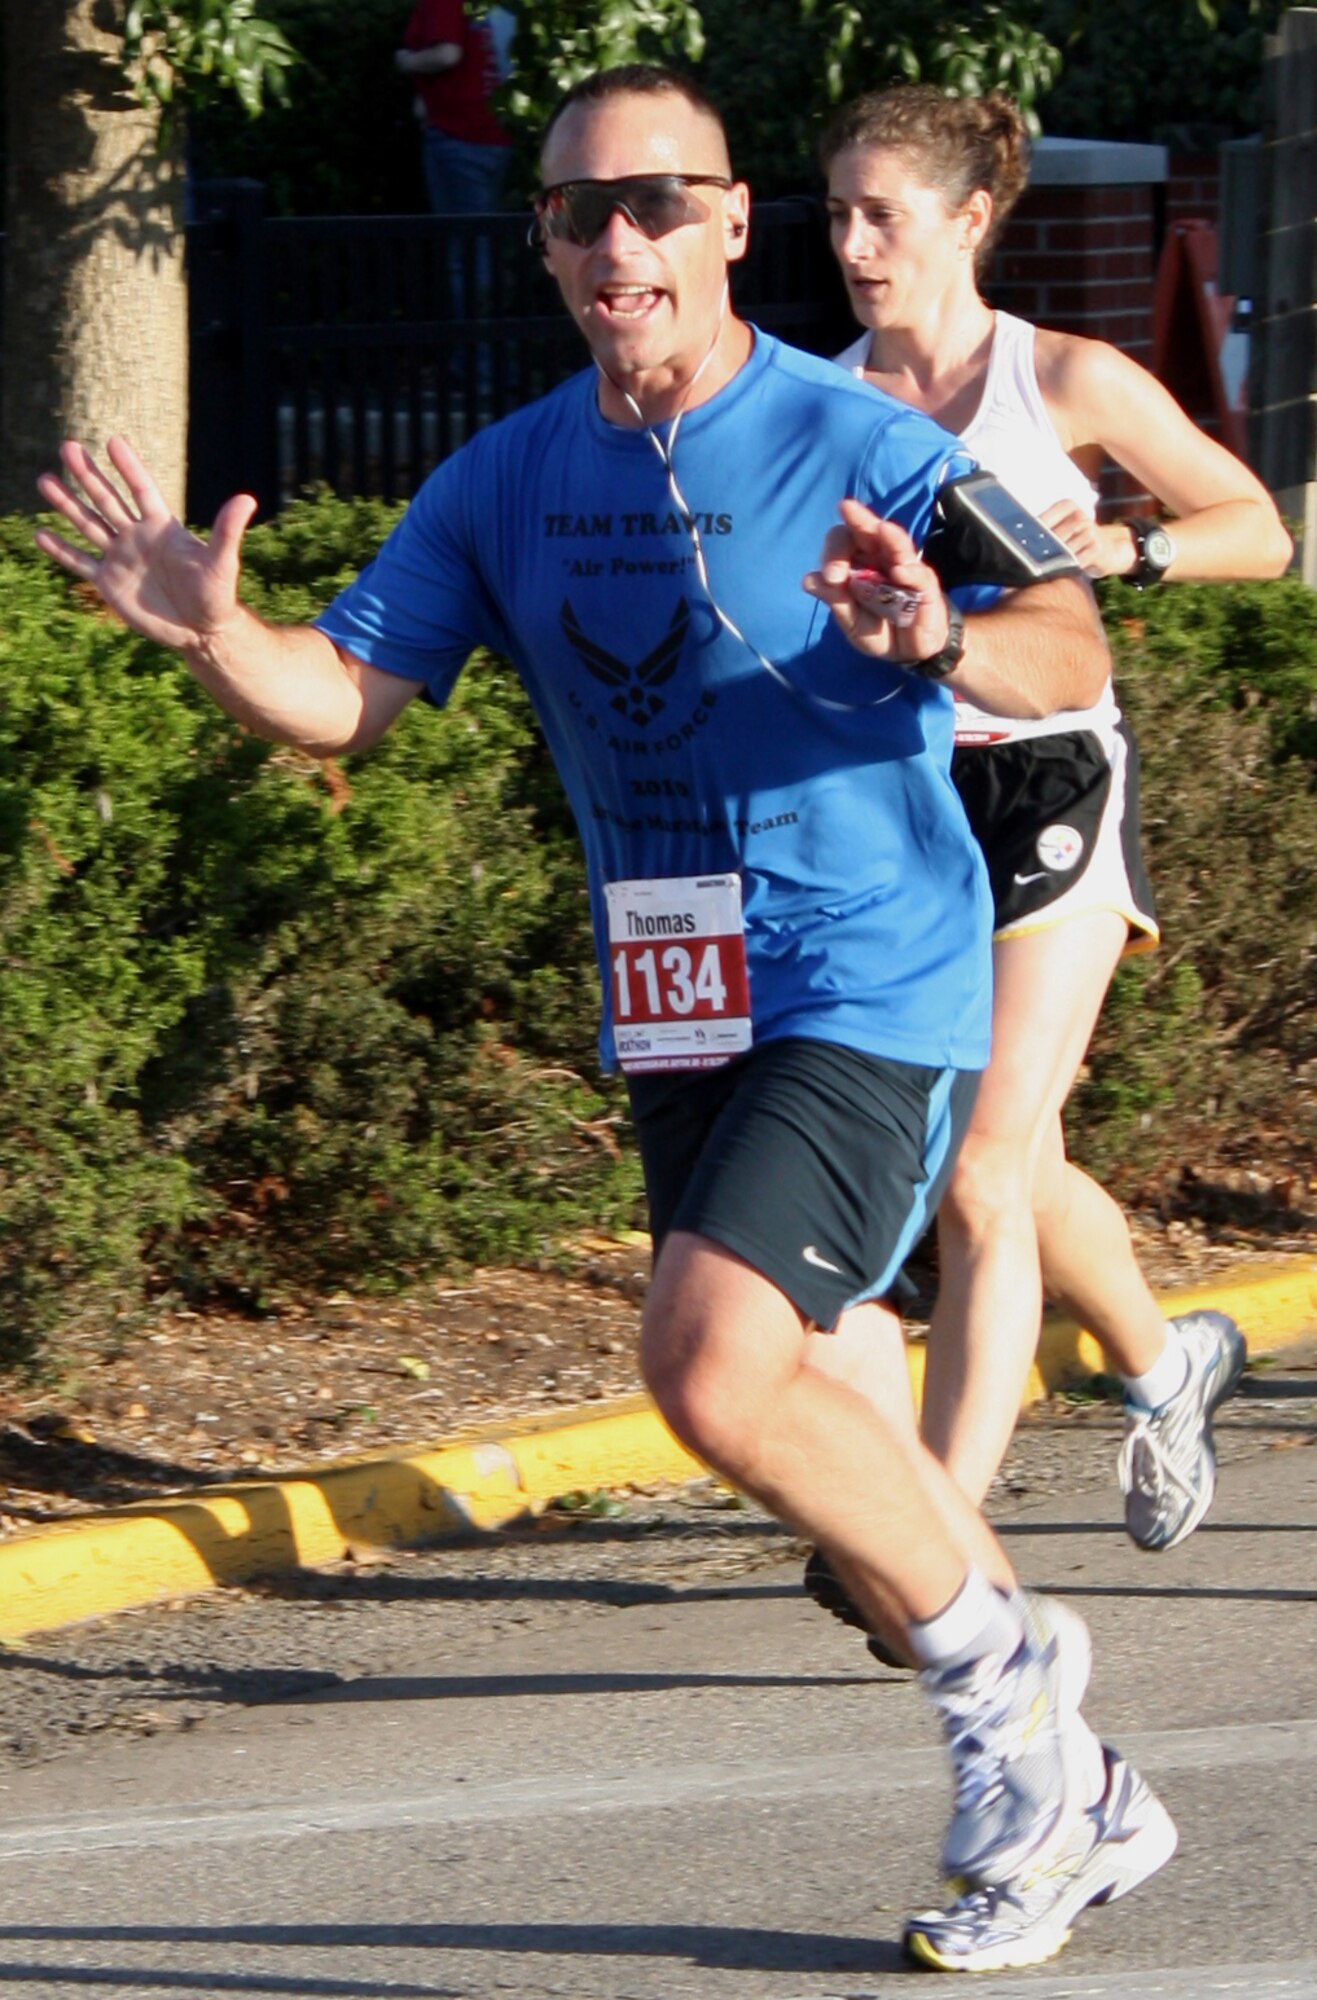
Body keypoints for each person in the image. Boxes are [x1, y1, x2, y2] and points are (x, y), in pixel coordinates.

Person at [34, 66, 1176, 1974]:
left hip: (869, 971)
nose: (616, 241)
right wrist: (219, 632)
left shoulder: (860, 436)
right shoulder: (504, 477)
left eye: (657, 203)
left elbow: (1069, 638)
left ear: (736, 222)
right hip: (675, 984)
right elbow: (345, 699)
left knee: (708, 1368)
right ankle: (1063, 1747)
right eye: (576, 213)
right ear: (547, 245)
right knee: (790, 1390)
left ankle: (1017, 1726)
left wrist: (940, 639)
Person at [810, 86, 1292, 1582]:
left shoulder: (1064, 379)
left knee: (978, 1171)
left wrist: (1128, 544)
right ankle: (1164, 1361)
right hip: (903, 807)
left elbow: (1258, 527)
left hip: (1054, 790)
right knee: (1000, 1156)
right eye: (835, 212)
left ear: (968, 221)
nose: (850, 243)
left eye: (880, 213)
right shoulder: (820, 399)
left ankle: (934, 1531)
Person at [396, 1, 513, 217]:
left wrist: (406, 61)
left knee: (465, 238)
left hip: (457, 132)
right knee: (489, 233)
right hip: (495, 130)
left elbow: (447, 54)